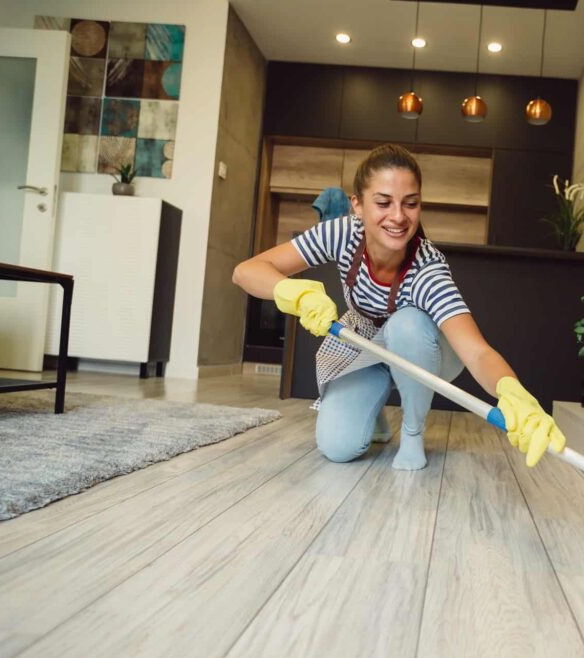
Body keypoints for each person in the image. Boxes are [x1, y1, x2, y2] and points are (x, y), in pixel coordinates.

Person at [233, 144, 565, 471]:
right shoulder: (342, 234)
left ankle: (412, 432)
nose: (398, 216)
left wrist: (513, 391)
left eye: (410, 204)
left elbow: (477, 353)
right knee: (337, 447)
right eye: (383, 202)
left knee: (407, 324)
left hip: (422, 350)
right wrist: (292, 291)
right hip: (363, 344)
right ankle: (373, 413)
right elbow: (246, 271)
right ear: (358, 206)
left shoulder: (428, 270)